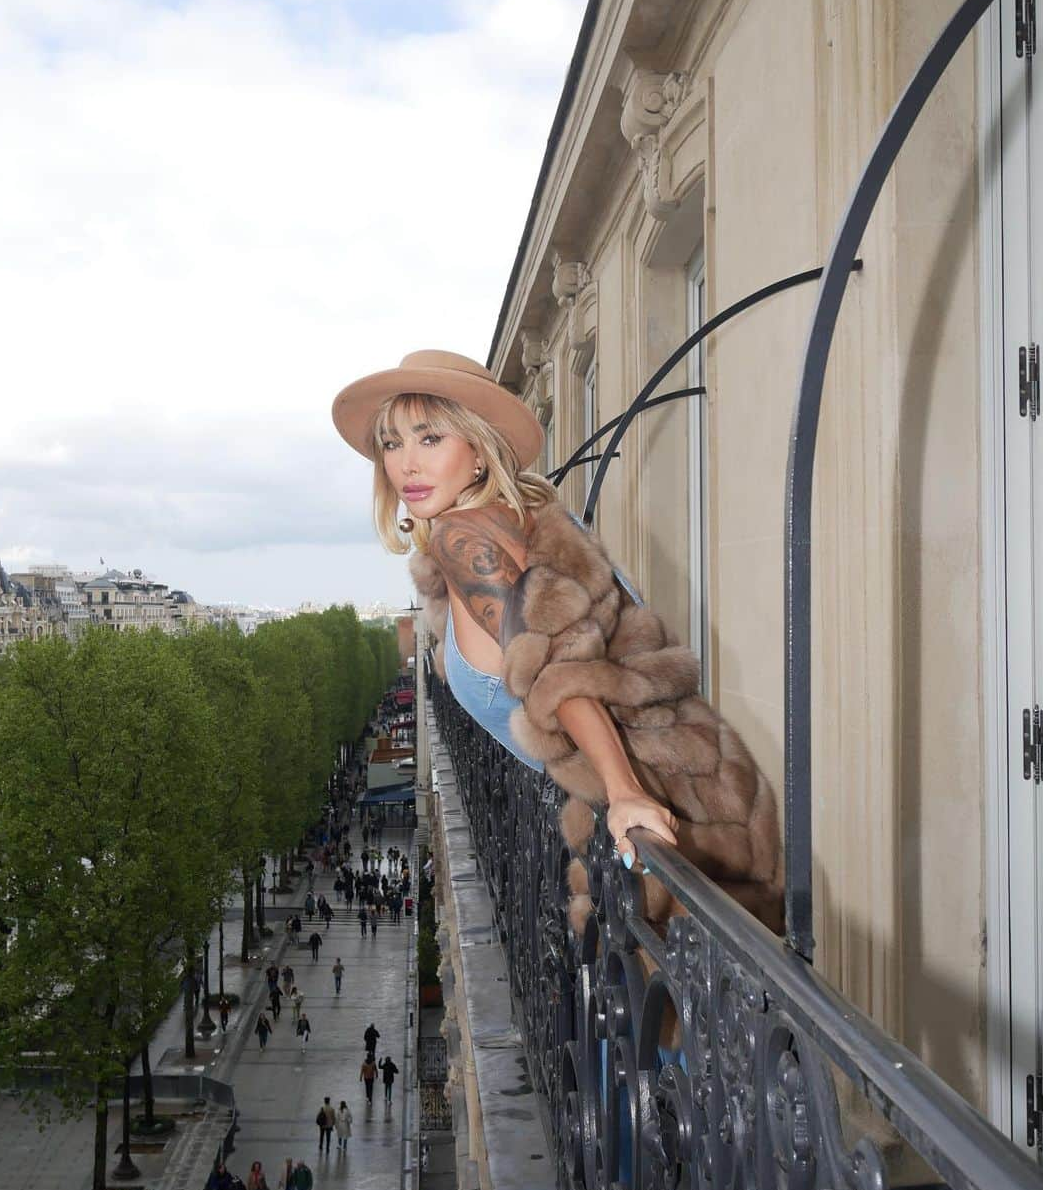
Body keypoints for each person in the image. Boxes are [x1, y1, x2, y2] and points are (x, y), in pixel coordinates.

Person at [330, 352, 783, 932]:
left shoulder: (467, 538)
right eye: (392, 444)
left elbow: (561, 678)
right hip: (707, 790)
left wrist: (624, 795)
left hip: (679, 810)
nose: (407, 464)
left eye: (430, 438)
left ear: (477, 450)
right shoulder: (508, 529)